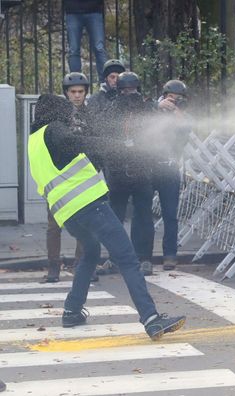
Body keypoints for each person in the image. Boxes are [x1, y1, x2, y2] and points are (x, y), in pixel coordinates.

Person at [27, 93, 185, 339]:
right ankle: (151, 319)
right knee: (128, 259)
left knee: (90, 253)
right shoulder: (54, 130)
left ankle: (72, 311)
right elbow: (75, 142)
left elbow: (68, 157)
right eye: (66, 112)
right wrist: (116, 145)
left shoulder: (34, 140)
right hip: (90, 206)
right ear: (56, 112)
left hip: (67, 214)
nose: (70, 117)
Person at [103, 71, 156, 276]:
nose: (129, 94)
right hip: (118, 170)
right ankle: (115, 257)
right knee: (115, 216)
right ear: (118, 91)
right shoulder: (112, 109)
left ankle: (144, 258)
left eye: (133, 90)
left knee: (143, 215)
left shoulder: (147, 109)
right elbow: (105, 134)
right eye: (125, 90)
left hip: (142, 169)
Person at [44, 72, 93, 283]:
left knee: (85, 224)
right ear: (66, 93)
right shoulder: (55, 115)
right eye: (73, 92)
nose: (77, 96)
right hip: (58, 176)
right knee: (54, 225)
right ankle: (53, 267)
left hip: (83, 177)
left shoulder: (91, 115)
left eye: (80, 92)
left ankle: (81, 265)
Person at [153, 80, 192, 270]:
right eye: (171, 98)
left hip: (170, 167)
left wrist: (178, 116)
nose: (174, 102)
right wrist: (158, 108)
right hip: (150, 166)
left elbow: (184, 137)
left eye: (179, 99)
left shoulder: (183, 116)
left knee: (170, 214)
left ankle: (170, 255)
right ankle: (142, 254)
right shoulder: (153, 107)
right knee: (142, 213)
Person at [64, 0, 108, 82]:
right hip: (73, 10)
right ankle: (75, 82)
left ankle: (105, 83)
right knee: (73, 49)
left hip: (94, 10)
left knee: (99, 48)